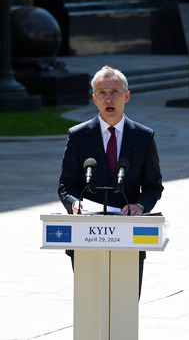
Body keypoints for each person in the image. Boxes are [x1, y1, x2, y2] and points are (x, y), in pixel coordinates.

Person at [58, 65, 164, 295]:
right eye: (103, 93)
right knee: (90, 302)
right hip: (86, 236)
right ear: (94, 99)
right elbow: (67, 184)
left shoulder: (144, 137)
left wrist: (141, 205)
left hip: (128, 236)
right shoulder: (78, 136)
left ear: (126, 96)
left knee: (124, 303)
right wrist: (74, 203)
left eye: (114, 91)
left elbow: (154, 186)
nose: (109, 98)